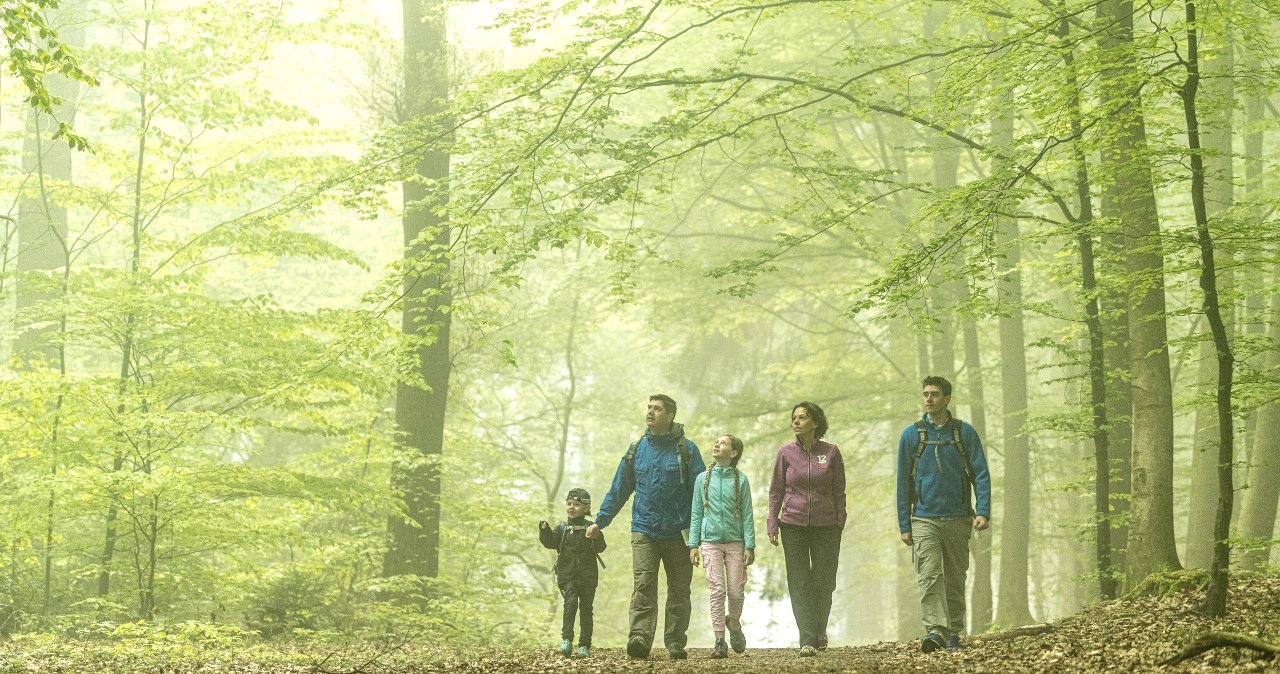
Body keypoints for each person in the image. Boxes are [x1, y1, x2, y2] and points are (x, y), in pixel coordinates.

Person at [588, 394, 706, 660]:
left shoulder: (687, 450)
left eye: (657, 409)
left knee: (679, 588)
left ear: (670, 415)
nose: (650, 412)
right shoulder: (636, 449)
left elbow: (702, 493)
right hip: (644, 529)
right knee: (643, 584)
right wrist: (600, 521)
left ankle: (675, 641)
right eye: (649, 407)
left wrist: (700, 535)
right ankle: (639, 637)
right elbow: (619, 490)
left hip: (679, 532)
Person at [896, 375, 992, 653]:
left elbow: (981, 475)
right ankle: (935, 629)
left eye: (935, 394)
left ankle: (952, 631)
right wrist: (905, 523)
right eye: (925, 394)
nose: (928, 399)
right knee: (929, 575)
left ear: (947, 399)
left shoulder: (964, 433)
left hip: (959, 518)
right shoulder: (911, 435)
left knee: (954, 576)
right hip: (924, 519)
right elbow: (903, 483)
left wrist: (983, 511)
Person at [767, 401, 847, 657]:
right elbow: (776, 491)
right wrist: (772, 522)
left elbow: (839, 490)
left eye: (802, 417)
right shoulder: (785, 453)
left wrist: (840, 518)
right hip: (793, 524)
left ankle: (819, 629)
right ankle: (808, 639)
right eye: (794, 417)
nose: (796, 421)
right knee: (800, 582)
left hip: (827, 525)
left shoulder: (831, 452)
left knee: (824, 580)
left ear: (815, 422)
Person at [688, 434, 756, 658]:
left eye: (723, 443)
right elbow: (697, 512)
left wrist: (750, 545)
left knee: (736, 591)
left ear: (734, 452)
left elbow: (747, 514)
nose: (717, 444)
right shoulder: (702, 479)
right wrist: (693, 544)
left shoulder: (741, 480)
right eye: (716, 442)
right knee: (717, 589)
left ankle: (734, 623)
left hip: (736, 542)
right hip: (710, 542)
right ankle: (719, 640)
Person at [539, 487, 607, 658]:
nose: (571, 507)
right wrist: (544, 530)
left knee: (586, 609)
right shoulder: (562, 528)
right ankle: (567, 640)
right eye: (569, 503)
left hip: (588, 576)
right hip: (567, 575)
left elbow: (601, 547)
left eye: (576, 504)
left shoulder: (591, 527)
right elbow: (550, 542)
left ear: (586, 507)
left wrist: (596, 535)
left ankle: (584, 645)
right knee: (570, 604)